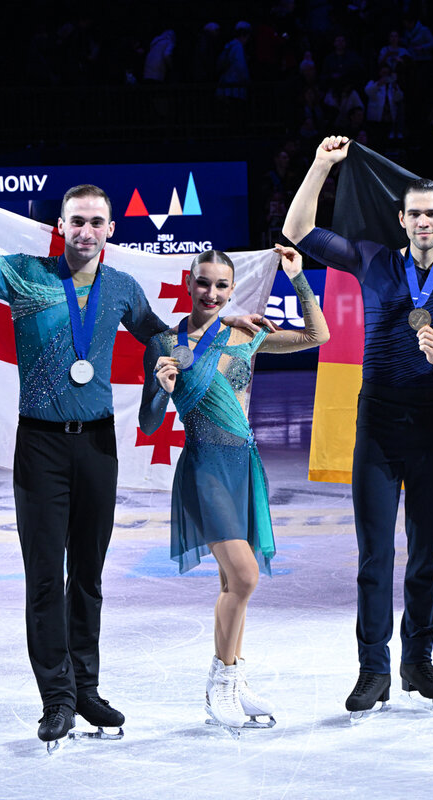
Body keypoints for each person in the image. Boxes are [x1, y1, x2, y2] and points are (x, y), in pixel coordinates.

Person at [0, 151, 269, 750]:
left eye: (96, 222)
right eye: (77, 221)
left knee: (88, 576)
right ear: (61, 226)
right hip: (40, 448)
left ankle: (86, 688)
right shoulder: (24, 274)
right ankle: (57, 699)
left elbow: (163, 336)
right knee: (45, 578)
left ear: (111, 230)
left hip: (96, 447)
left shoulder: (121, 288)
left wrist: (220, 323)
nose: (86, 231)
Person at [282, 136, 433, 716]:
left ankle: (418, 661)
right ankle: (374, 669)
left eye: (431, 213)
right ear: (402, 220)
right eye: (414, 213)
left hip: (432, 428)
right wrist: (321, 164)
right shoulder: (374, 260)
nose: (423, 221)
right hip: (377, 425)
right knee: (374, 556)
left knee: (426, 555)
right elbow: (297, 229)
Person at [139, 246, 328, 729]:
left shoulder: (244, 333)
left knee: (231, 583)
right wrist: (161, 390)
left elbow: (317, 336)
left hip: (244, 466)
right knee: (244, 577)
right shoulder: (164, 343)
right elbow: (148, 422)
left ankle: (235, 679)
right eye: (203, 283)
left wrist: (298, 278)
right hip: (204, 467)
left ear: (232, 289)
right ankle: (219, 684)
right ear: (189, 283)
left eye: (222, 285)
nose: (212, 292)